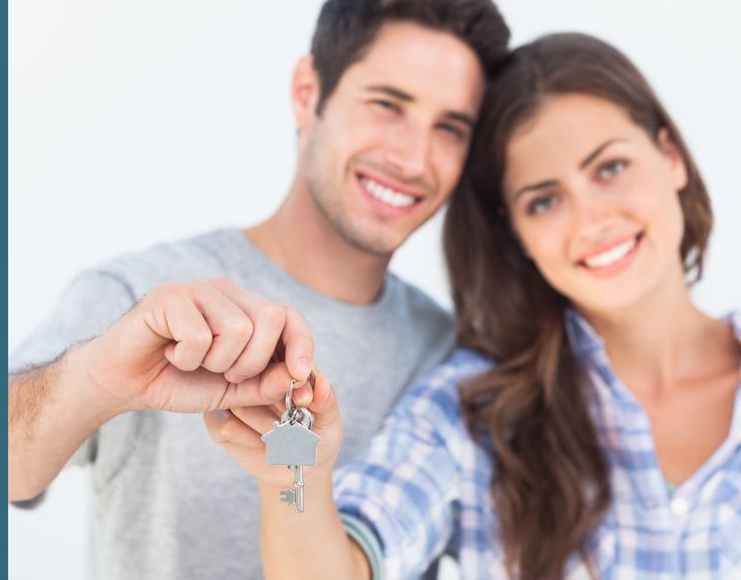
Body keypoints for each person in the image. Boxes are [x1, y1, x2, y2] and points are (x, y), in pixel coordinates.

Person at [8, 0, 509, 578]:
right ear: (307, 91)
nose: (412, 158)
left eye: (450, 128)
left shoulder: (453, 361)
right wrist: (99, 376)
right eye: (387, 105)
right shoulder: (141, 300)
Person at [206, 31, 741, 579]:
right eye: (545, 200)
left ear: (671, 156)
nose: (591, 219)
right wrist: (294, 470)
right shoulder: (471, 414)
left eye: (610, 168)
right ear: (517, 235)